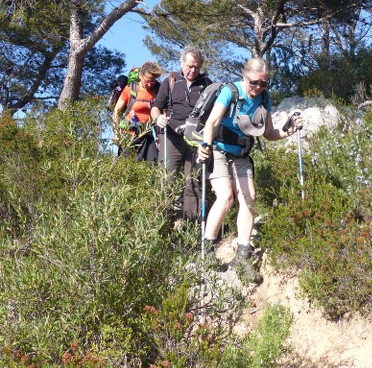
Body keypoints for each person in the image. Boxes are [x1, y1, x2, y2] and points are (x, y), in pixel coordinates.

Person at [196, 56, 304, 284]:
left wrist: (289, 131)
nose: (258, 88)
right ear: (245, 76)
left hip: (241, 153)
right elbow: (212, 122)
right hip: (218, 149)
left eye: (264, 83)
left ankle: (243, 256)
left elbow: (269, 133)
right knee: (225, 197)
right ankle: (207, 250)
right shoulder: (231, 92)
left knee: (250, 197)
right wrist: (205, 145)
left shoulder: (264, 98)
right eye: (254, 82)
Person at [150, 45, 211, 223]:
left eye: (197, 66)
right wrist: (158, 118)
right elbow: (156, 107)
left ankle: (191, 229)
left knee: (193, 183)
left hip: (195, 139)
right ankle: (161, 225)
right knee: (166, 180)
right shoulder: (170, 81)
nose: (193, 70)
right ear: (181, 62)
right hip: (171, 137)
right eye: (190, 65)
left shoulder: (207, 84)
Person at [112, 61, 163, 163]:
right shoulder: (130, 89)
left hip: (147, 135)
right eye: (147, 80)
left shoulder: (157, 91)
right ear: (140, 75)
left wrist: (159, 136)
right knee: (126, 168)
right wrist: (116, 133)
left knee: (153, 164)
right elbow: (116, 111)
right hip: (128, 135)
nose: (149, 84)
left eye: (152, 81)